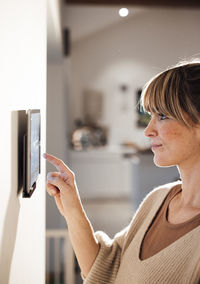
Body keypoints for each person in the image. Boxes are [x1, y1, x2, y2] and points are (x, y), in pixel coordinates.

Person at [44, 61, 200, 283]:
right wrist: (72, 210)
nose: (148, 130)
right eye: (150, 116)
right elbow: (106, 268)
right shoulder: (158, 199)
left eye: (163, 116)